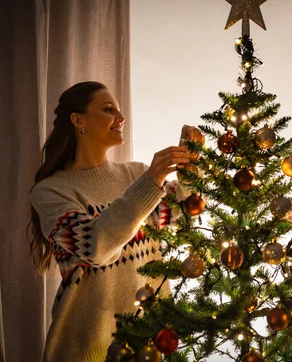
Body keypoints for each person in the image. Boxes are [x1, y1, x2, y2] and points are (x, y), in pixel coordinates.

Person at [27, 81, 202, 362]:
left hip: (151, 346)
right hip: (85, 349)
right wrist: (151, 181)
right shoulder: (50, 191)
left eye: (119, 110)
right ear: (78, 120)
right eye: (109, 109)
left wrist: (191, 164)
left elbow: (178, 212)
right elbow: (96, 247)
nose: (120, 118)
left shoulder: (135, 174)